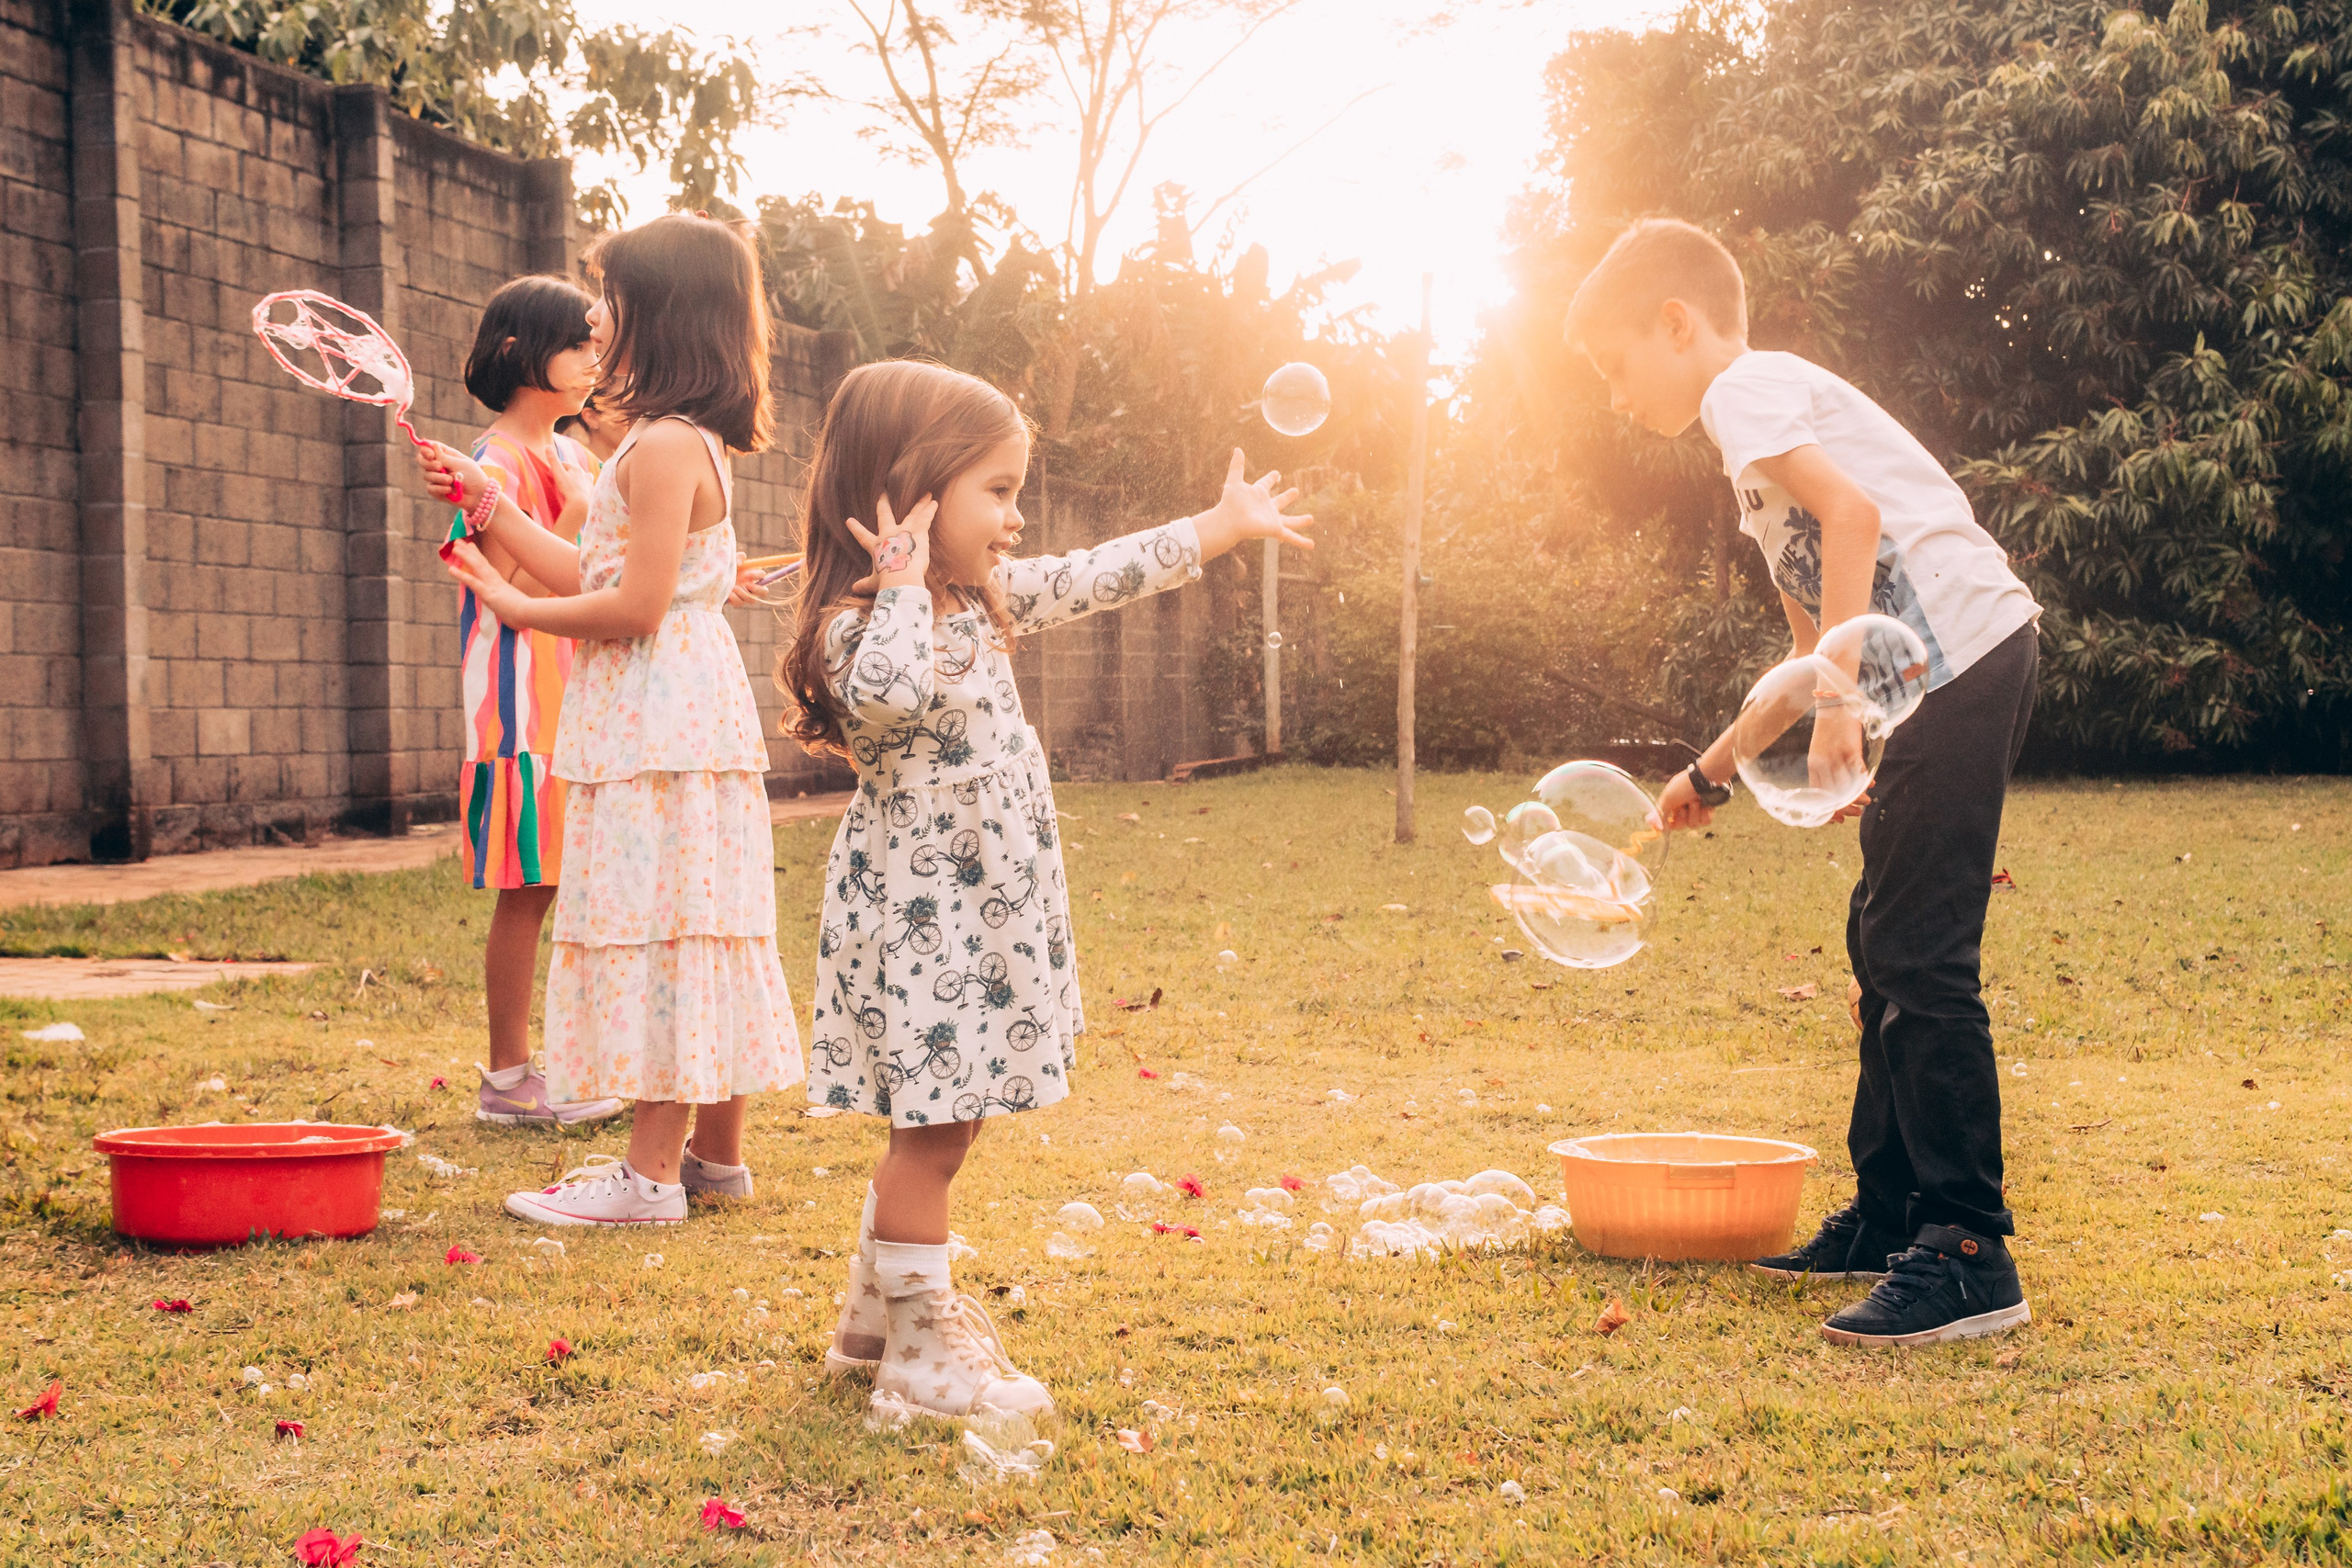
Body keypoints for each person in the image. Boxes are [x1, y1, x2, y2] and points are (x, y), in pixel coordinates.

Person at [775, 359, 1313, 1416]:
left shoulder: (980, 599)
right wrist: (896, 581)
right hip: (920, 925)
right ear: (909, 492)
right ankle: (924, 1356)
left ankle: (871, 1321)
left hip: (986, 916)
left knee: (952, 1122)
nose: (1018, 519)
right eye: (998, 491)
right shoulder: (860, 625)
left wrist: (1217, 524)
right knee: (931, 1130)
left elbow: (1098, 573)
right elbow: (885, 704)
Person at [1569, 218, 2041, 1348]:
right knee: (1879, 942)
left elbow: (1859, 519)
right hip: (1932, 674)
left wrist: (1844, 704)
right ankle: (1889, 1216)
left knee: (1920, 952)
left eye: (1614, 364)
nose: (1611, 393)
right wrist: (1710, 771)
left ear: (1676, 324)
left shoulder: (1747, 391)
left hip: (1962, 657)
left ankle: (1969, 1249)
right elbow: (1803, 652)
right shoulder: (1751, 471)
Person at [419, 214, 800, 1224]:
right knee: (695, 915)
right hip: (669, 711)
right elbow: (593, 567)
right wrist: (489, 507)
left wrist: (513, 608)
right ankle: (714, 1161)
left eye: (612, 303)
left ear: (660, 315)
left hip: (656, 718)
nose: (599, 322)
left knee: (660, 921)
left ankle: (646, 1177)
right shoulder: (672, 442)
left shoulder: (667, 446)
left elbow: (628, 609)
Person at [451, 275, 623, 1131]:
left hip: (580, 704)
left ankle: (562, 1063)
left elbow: (611, 570)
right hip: (518, 708)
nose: (595, 360)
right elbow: (502, 583)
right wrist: (578, 513)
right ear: (521, 351)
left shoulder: (573, 456)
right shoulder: (492, 463)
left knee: (567, 883)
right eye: (579, 343)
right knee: (528, 886)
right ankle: (509, 1076)